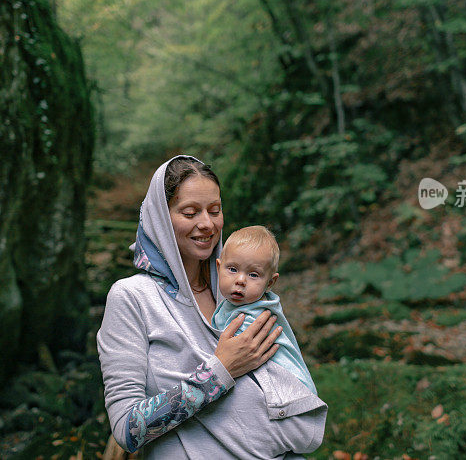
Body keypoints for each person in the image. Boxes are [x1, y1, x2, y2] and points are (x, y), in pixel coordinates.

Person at [96, 156, 327, 459]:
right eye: (190, 212)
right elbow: (127, 428)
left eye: (214, 211)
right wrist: (220, 371)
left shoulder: (238, 293)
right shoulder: (132, 297)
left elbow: (284, 390)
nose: (206, 224)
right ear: (161, 219)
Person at [212, 226, 318, 395]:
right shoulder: (234, 306)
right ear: (218, 268)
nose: (240, 280)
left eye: (253, 275)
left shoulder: (251, 318)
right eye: (232, 269)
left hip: (291, 390)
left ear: (270, 283)